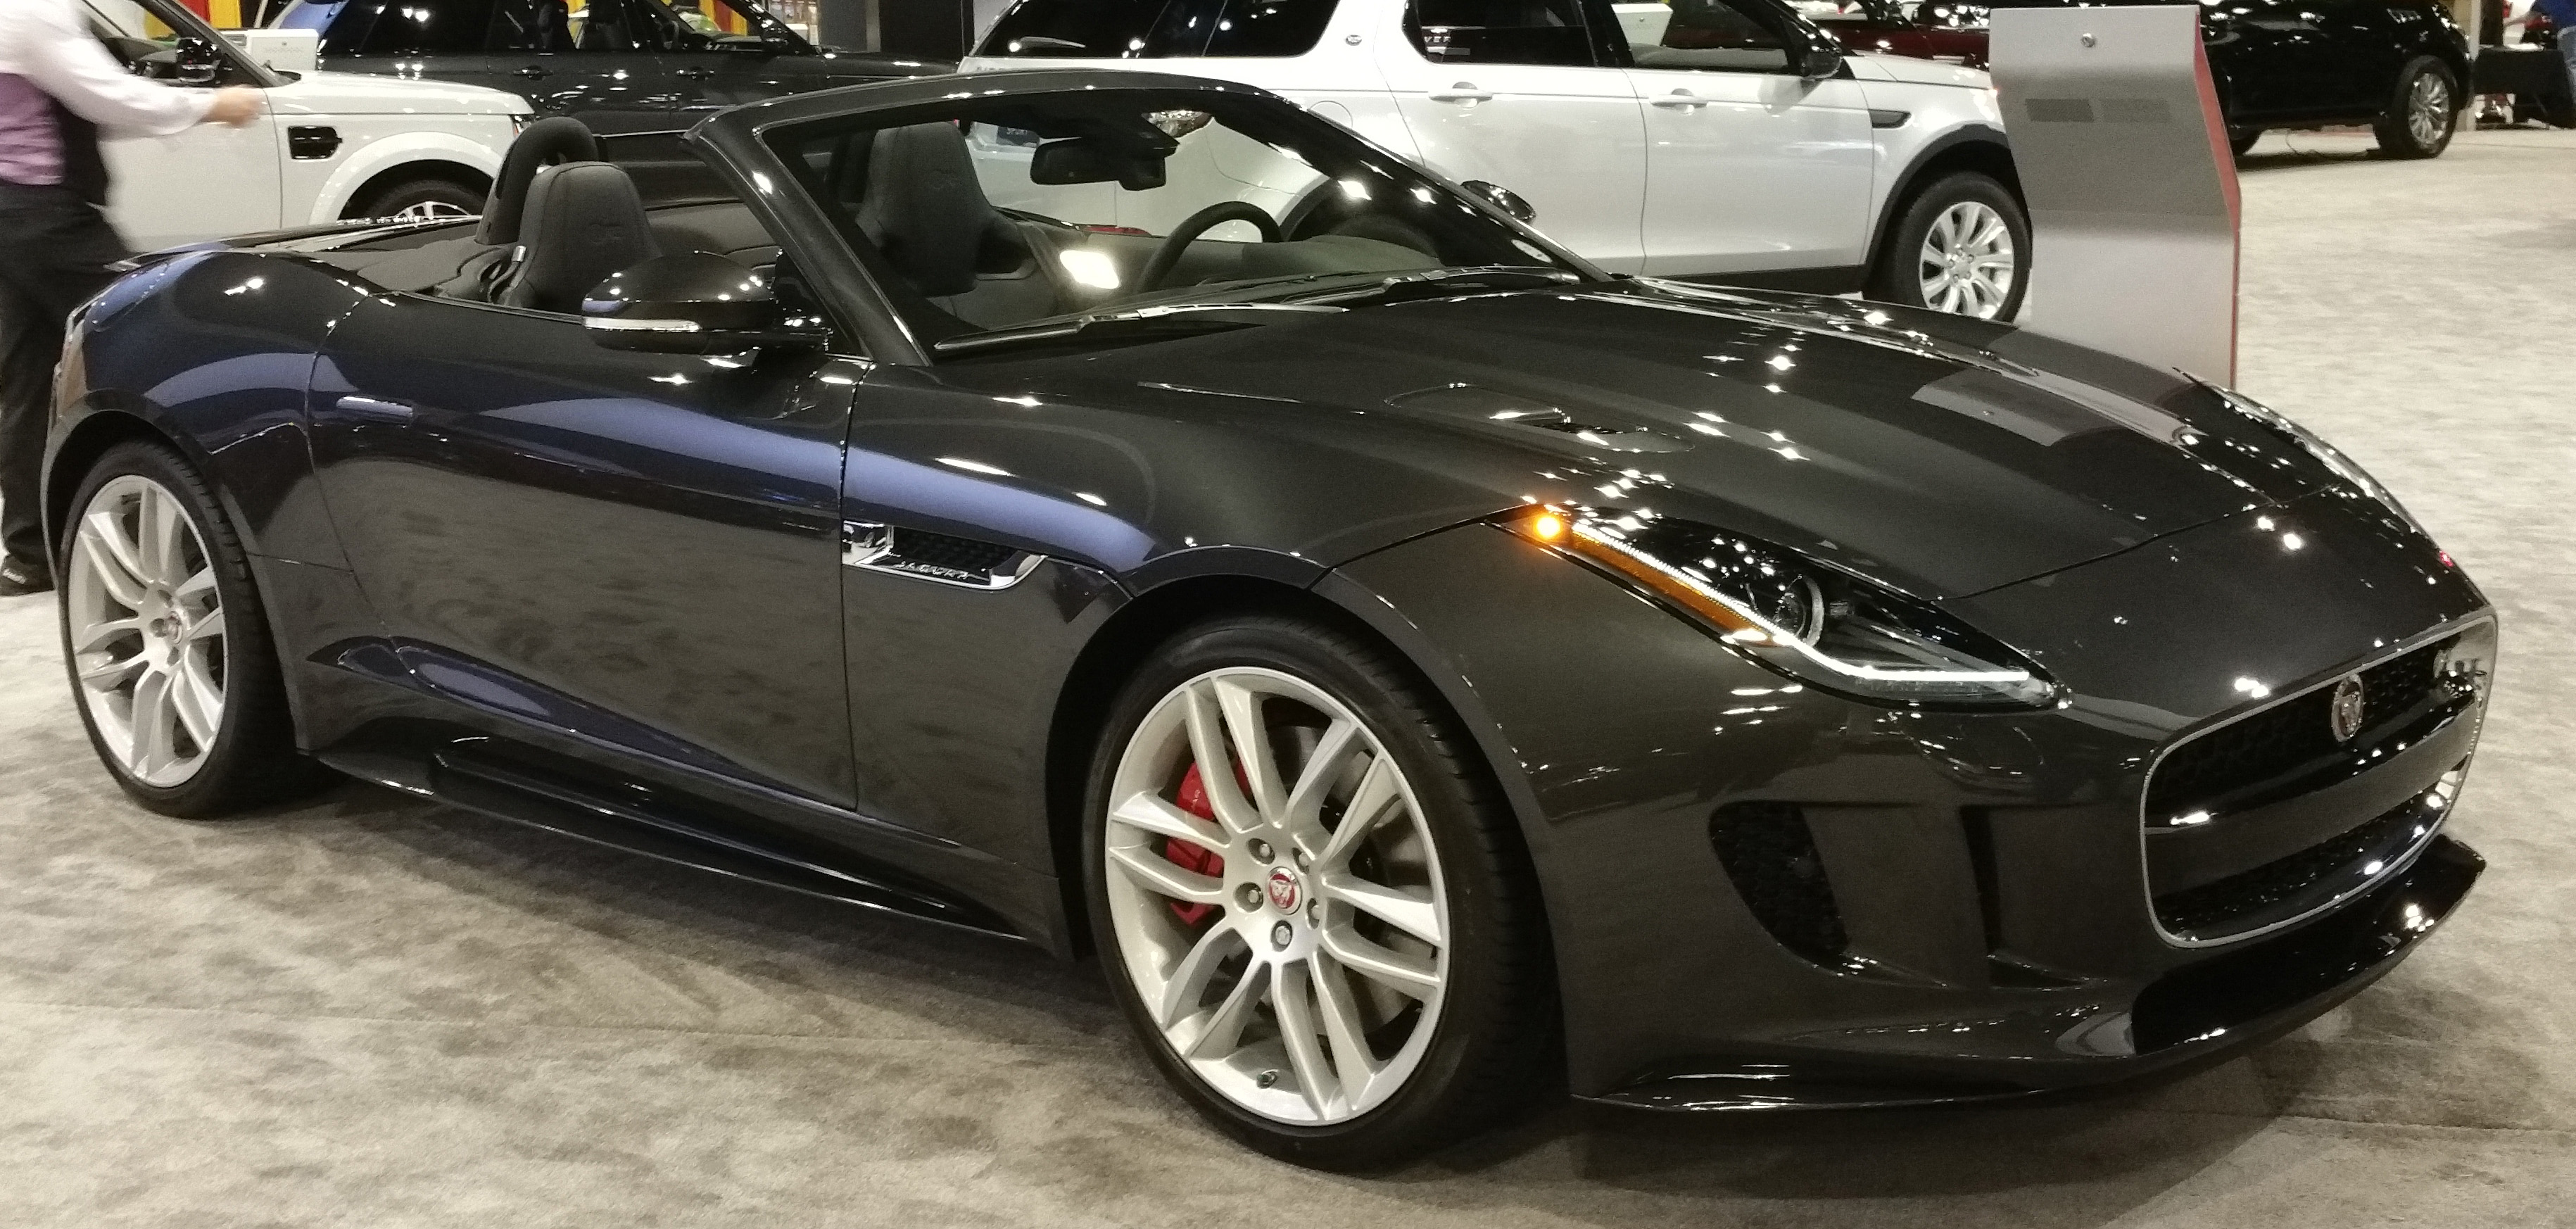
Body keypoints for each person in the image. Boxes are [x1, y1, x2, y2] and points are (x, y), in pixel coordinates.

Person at [0, 0, 262, 598]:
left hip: (11, 209)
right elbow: (103, 95)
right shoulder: (33, 10)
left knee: (30, 379)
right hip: (47, 218)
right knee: (150, 342)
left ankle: (30, 552)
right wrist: (211, 105)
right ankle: (184, 530)